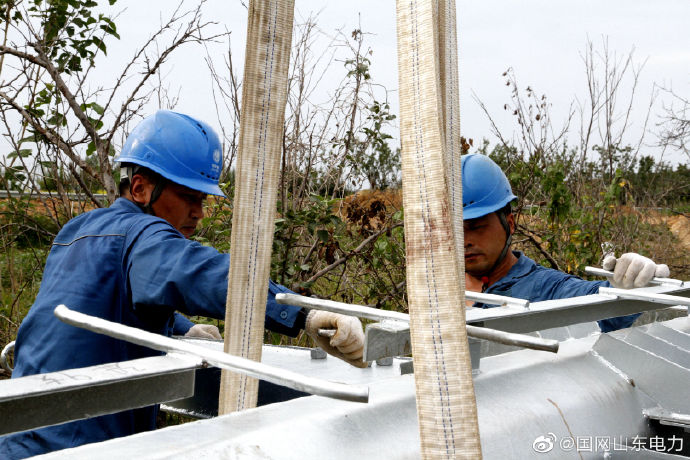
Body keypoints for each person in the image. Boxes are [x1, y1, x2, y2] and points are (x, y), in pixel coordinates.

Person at [0, 111, 365, 458]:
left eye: (202, 200)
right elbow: (198, 271)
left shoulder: (75, 232)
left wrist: (182, 327)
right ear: (141, 189)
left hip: (15, 436)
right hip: (78, 449)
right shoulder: (144, 236)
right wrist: (302, 314)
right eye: (189, 198)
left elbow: (106, 298)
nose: (199, 213)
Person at [461, 153, 670, 332]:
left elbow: (598, 305)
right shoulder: (443, 288)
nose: (465, 241)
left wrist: (628, 288)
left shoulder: (545, 289)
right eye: (453, 230)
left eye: (476, 227)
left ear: (510, 224)